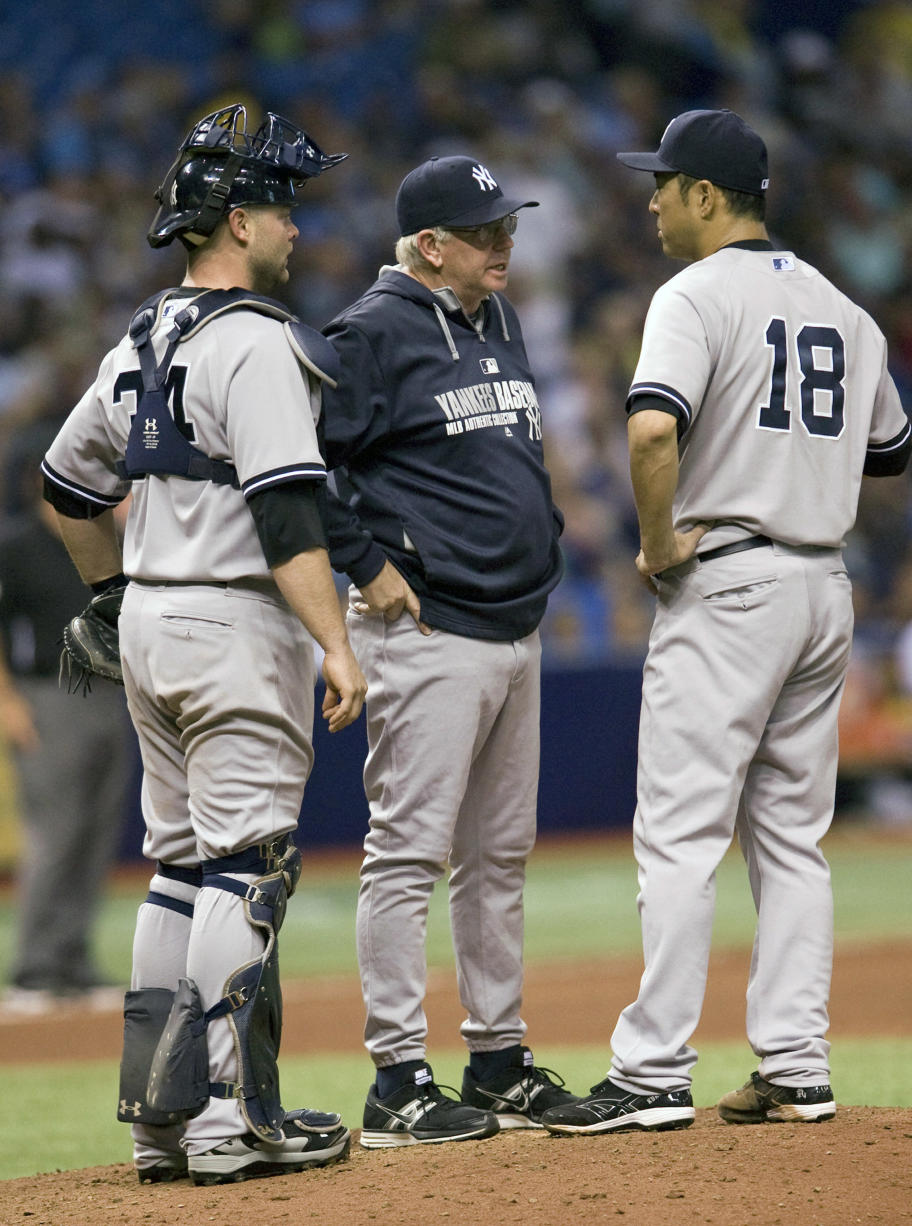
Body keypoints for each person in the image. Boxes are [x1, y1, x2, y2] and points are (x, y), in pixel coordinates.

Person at [540, 109, 912, 1136]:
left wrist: (657, 545)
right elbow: (892, 450)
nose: (652, 199)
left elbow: (654, 427)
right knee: (794, 839)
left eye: (664, 184)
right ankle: (795, 1061)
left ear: (707, 196)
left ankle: (653, 1065)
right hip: (822, 585)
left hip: (732, 576)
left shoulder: (693, 292)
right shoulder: (850, 309)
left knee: (680, 832)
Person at [40, 104, 366, 1185]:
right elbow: (285, 514)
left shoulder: (140, 335)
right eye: (281, 203)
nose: (294, 227)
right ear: (236, 217)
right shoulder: (259, 343)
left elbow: (63, 485)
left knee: (178, 868)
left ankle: (156, 1121)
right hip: (234, 619)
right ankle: (233, 1118)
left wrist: (112, 592)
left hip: (150, 624)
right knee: (249, 864)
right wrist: (337, 642)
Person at [320, 154, 577, 1146]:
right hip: (426, 627)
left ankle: (499, 1060)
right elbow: (305, 463)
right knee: (408, 851)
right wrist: (365, 563)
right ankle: (396, 1078)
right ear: (430, 245)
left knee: (499, 854)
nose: (504, 243)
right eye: (485, 232)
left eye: (507, 226)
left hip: (517, 620)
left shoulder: (498, 320)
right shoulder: (368, 333)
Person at [0, 425, 129, 1012]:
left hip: (110, 693)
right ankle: (34, 967)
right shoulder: (17, 543)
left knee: (96, 830)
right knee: (55, 833)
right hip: (46, 695)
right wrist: (6, 701)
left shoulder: (110, 540)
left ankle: (72, 961)